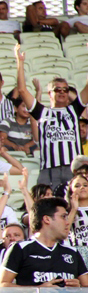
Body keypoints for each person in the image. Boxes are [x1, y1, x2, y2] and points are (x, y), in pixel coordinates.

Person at [0, 197, 88, 293]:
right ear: (47, 219)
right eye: (63, 216)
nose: (67, 222)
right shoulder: (20, 248)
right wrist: (38, 290)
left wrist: (79, 289)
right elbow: (1, 287)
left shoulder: (72, 252)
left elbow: (86, 288)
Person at [15, 44, 87, 187]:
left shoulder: (74, 109)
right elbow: (22, 90)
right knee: (48, 206)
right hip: (49, 168)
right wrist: (20, 62)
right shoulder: (42, 111)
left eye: (65, 90)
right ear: (50, 94)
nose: (62, 92)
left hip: (73, 169)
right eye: (57, 89)